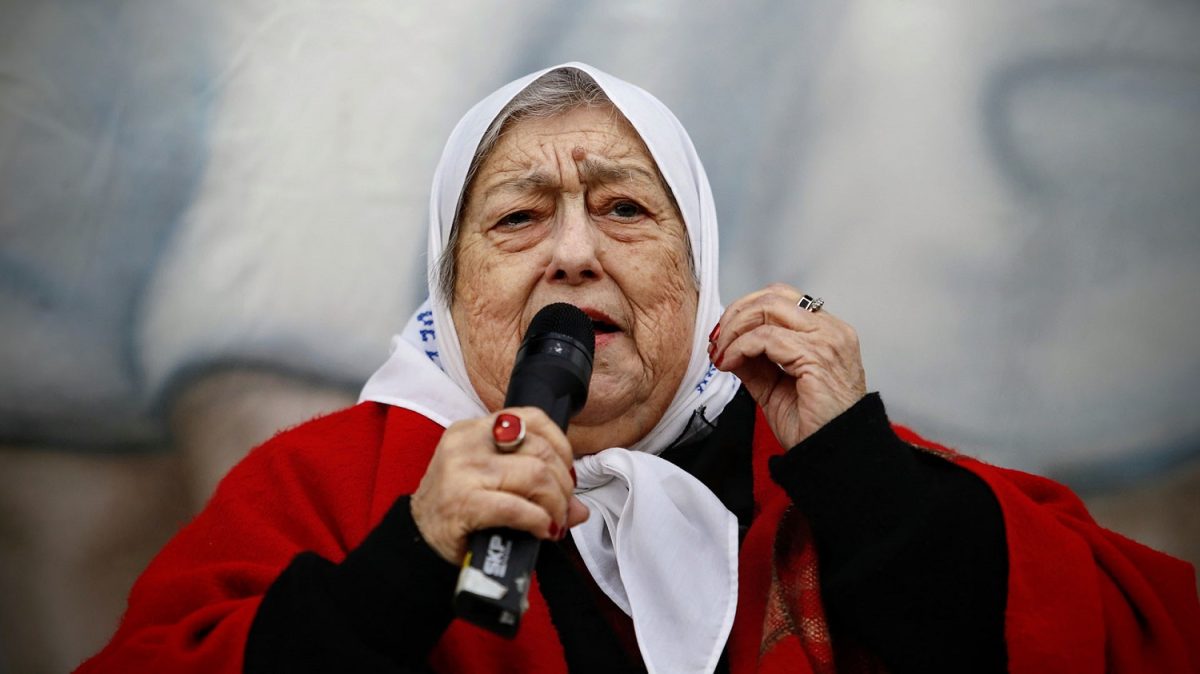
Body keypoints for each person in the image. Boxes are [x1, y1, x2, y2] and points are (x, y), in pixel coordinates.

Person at [78, 63, 1199, 674]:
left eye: (624, 207)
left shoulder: (816, 459)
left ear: (698, 271)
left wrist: (869, 483)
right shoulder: (332, 481)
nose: (575, 252)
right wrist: (405, 563)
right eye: (519, 217)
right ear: (451, 284)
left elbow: (1138, 635)